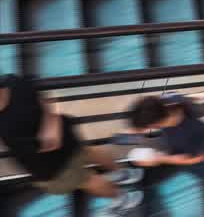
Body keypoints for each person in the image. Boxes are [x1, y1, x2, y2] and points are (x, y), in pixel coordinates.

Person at [0, 75, 142, 216]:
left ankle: (122, 198)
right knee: (87, 152)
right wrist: (51, 121)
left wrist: (48, 133)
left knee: (86, 180)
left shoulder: (7, 121)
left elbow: (39, 147)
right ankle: (124, 174)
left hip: (50, 162)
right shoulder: (13, 81)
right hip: (65, 133)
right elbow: (42, 97)